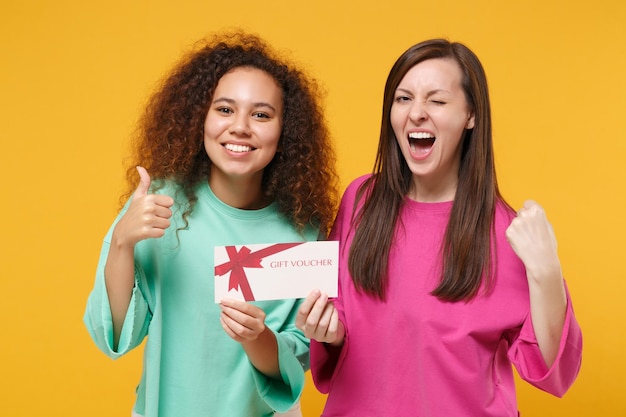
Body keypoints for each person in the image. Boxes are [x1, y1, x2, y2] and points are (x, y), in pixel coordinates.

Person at [297, 38, 583, 416]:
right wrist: (328, 333)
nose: (417, 113)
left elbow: (554, 372)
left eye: (437, 100)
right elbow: (340, 321)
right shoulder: (360, 200)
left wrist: (547, 272)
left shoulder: (508, 233)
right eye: (403, 99)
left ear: (471, 115)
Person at [83, 31, 338, 417]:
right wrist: (122, 243)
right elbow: (114, 336)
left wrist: (258, 338)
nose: (240, 127)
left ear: (284, 133)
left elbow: (297, 358)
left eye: (261, 114)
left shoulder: (304, 227)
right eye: (224, 109)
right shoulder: (157, 207)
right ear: (198, 118)